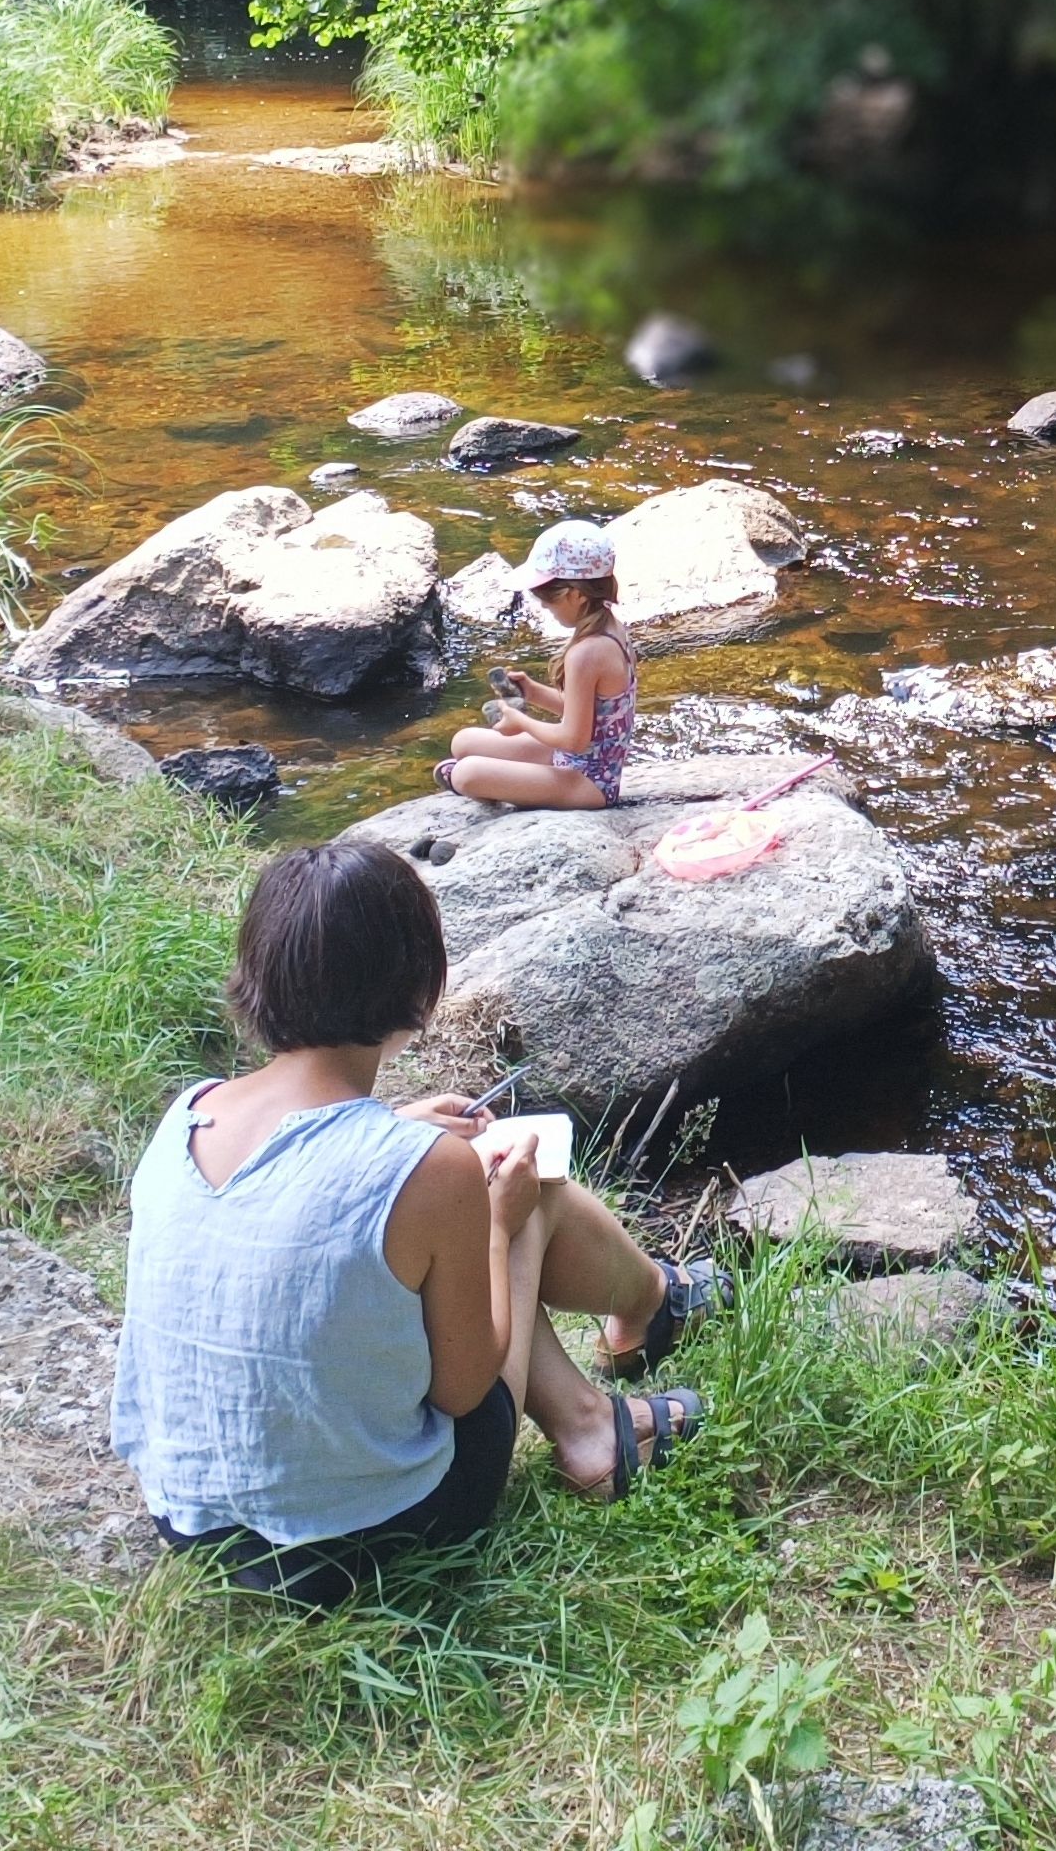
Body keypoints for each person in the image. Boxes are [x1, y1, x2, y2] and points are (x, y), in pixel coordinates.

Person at [109, 839, 730, 1603]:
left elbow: (292, 1182)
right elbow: (464, 1392)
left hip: (193, 1525)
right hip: (354, 1541)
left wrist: (398, 1126)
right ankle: (600, 1409)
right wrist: (493, 1227)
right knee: (529, 1197)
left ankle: (649, 1310)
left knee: (465, 1214)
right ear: (417, 986)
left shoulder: (187, 1115)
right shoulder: (428, 1171)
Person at [441, 518, 636, 808]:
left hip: (589, 782)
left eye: (547, 599)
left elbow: (574, 739)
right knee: (463, 742)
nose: (543, 606)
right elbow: (592, 716)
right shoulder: (612, 629)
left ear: (576, 595)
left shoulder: (587, 653)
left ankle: (505, 786)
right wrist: (533, 692)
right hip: (576, 761)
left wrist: (521, 722)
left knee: (466, 773)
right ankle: (512, 782)